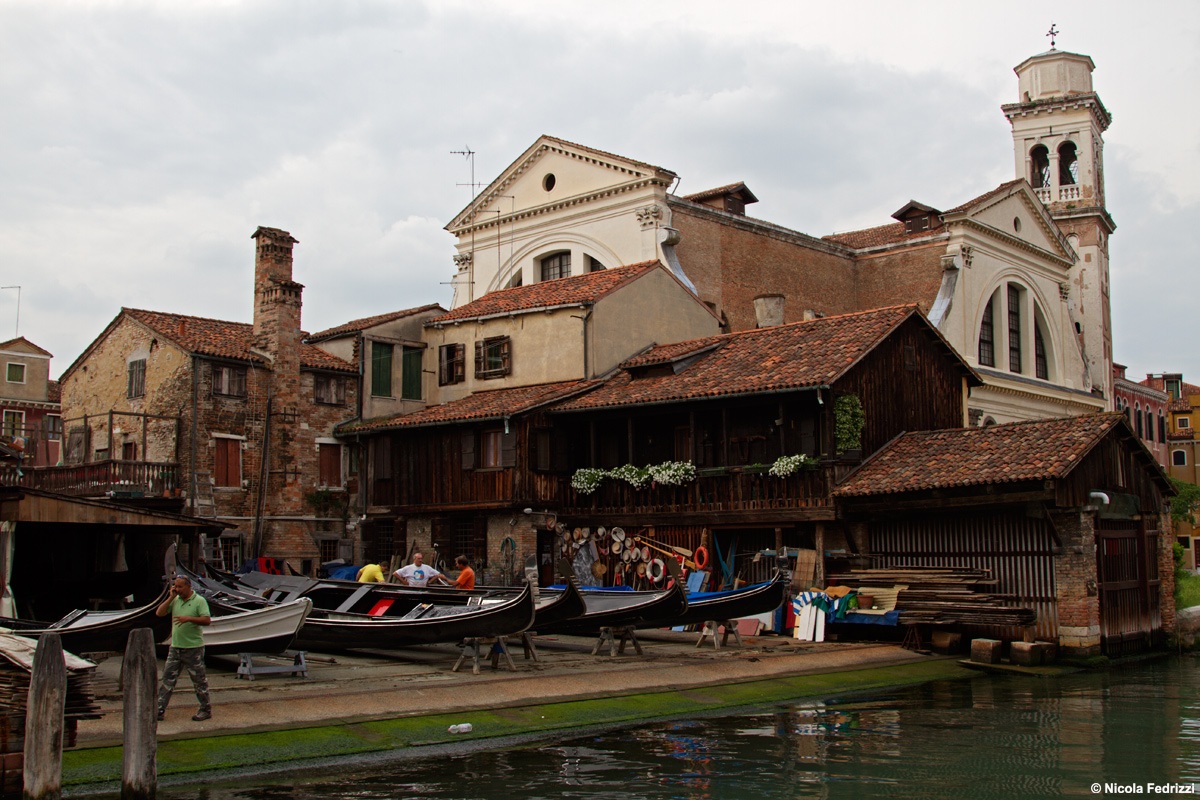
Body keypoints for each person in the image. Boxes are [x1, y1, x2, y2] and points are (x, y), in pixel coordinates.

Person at [156, 575, 212, 722]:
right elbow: (159, 613)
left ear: (188, 586)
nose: (178, 589)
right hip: (176, 647)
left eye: (180, 587)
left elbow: (206, 620)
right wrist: (170, 598)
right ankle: (159, 709)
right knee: (167, 680)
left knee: (199, 681)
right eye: (176, 586)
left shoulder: (199, 601)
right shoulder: (175, 600)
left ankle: (205, 709)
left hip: (193, 648)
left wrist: (189, 619)